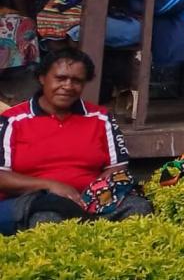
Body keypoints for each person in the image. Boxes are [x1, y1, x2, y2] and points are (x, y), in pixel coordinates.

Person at [0, 48, 151, 235]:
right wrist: (49, 185)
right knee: (48, 221)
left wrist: (93, 195)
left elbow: (117, 167)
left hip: (92, 199)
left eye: (76, 81)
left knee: (139, 209)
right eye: (60, 78)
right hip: (38, 201)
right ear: (42, 78)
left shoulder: (100, 117)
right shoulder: (12, 120)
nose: (68, 86)